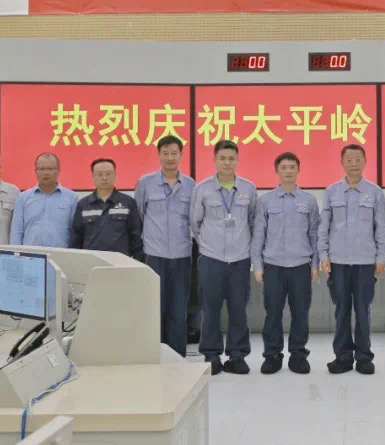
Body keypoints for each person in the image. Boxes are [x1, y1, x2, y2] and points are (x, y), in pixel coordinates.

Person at [319, 144, 385, 376]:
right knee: (341, 310)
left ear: (365, 161)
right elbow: (324, 227)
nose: (353, 164)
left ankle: (363, 357)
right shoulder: (331, 192)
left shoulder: (375, 192)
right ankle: (342, 357)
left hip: (365, 262)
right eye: (349, 160)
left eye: (358, 159)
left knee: (362, 310)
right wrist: (324, 255)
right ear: (342, 163)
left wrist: (381, 257)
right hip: (338, 261)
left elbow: (381, 228)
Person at [190, 140, 258, 375]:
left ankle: (237, 355)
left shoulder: (248, 188)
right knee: (210, 309)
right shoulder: (202, 189)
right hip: (212, 259)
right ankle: (211, 355)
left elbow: (253, 222)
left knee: (239, 309)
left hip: (240, 260)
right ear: (214, 160)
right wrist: (209, 245)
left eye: (231, 158)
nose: (227, 163)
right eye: (222, 158)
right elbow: (195, 223)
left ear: (237, 160)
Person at [251, 152, 320, 375]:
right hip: (273, 266)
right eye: (284, 167)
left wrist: (315, 264)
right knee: (273, 312)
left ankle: (298, 355)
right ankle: (272, 355)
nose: (288, 171)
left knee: (300, 312)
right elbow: (258, 235)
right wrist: (257, 265)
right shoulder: (265, 201)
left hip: (300, 265)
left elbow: (314, 235)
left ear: (298, 170)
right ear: (277, 171)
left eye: (292, 167)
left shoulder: (308, 201)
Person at [134, 136, 195, 358]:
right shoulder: (145, 183)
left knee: (178, 309)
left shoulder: (190, 184)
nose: (170, 158)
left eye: (174, 153)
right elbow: (139, 216)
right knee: (154, 307)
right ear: (159, 155)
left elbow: (194, 219)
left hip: (181, 254)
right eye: (166, 153)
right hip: (154, 254)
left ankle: (177, 355)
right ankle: (155, 353)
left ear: (181, 155)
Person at [70, 159, 143, 259]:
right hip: (91, 260)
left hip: (121, 260)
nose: (104, 178)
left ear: (115, 175)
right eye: (100, 174)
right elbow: (76, 237)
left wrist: (138, 259)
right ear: (93, 177)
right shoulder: (83, 204)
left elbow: (136, 234)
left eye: (108, 174)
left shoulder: (128, 202)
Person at [10, 152, 77, 248]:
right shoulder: (23, 198)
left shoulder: (72, 198)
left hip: (61, 254)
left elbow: (75, 232)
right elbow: (17, 231)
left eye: (50, 169)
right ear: (36, 171)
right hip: (30, 254)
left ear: (58, 171)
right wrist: (16, 252)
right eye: (41, 169)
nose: (46, 173)